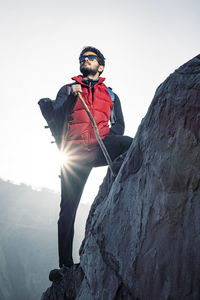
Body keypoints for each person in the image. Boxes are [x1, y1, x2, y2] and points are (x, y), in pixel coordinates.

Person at [38, 46, 133, 274]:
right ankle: (65, 266)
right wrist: (71, 97)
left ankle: (118, 167)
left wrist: (109, 140)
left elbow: (118, 124)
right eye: (82, 58)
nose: (84, 60)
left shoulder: (111, 95)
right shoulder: (68, 89)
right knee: (67, 210)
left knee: (129, 142)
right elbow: (57, 118)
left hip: (100, 146)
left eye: (90, 58)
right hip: (75, 155)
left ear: (100, 66)